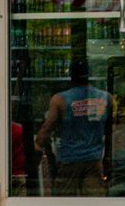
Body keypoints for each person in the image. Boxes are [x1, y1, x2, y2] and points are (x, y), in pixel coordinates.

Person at [37, 60, 115, 195]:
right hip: (94, 160)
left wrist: (37, 144)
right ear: (89, 75)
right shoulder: (105, 98)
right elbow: (109, 131)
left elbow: (48, 127)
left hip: (69, 160)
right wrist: (107, 158)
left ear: (71, 76)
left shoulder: (60, 100)